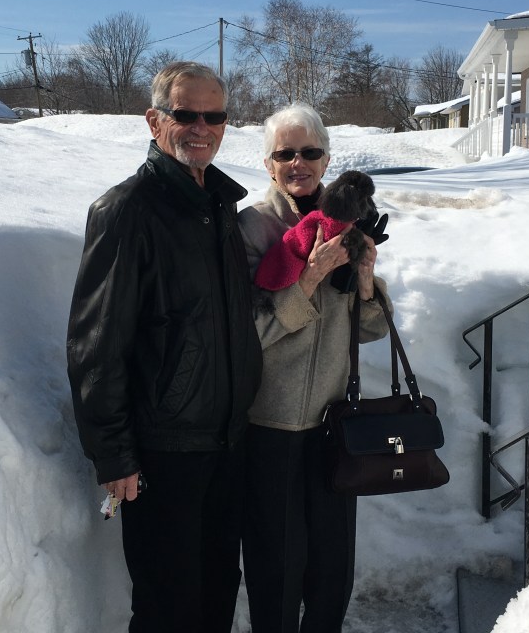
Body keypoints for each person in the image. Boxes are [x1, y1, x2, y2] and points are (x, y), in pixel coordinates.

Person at [66, 61, 262, 633]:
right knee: (166, 607)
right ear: (155, 121)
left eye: (214, 115)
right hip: (164, 452)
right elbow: (96, 341)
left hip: (227, 441)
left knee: (217, 592)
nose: (201, 126)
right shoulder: (127, 211)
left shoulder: (219, 206)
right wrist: (114, 454)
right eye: (185, 114)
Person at [238, 102, 389, 632]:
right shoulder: (253, 230)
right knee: (276, 561)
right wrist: (308, 277)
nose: (297, 162)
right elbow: (249, 334)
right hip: (269, 425)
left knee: (332, 564)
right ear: (267, 163)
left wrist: (366, 279)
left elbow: (370, 329)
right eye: (285, 153)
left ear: (327, 160)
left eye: (309, 152)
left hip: (333, 423)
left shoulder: (348, 221)